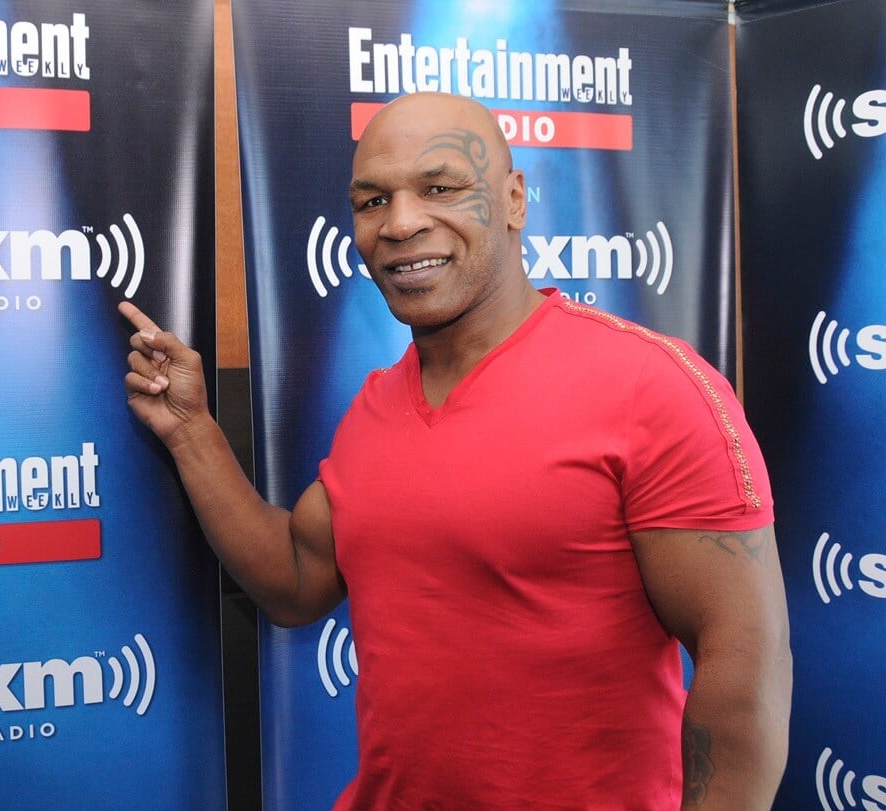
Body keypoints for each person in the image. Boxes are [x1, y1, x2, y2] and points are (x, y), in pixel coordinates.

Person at [120, 92, 792, 809]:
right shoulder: (376, 406)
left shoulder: (652, 389)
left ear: (513, 199)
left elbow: (746, 670)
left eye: (440, 188)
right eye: (373, 200)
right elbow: (293, 579)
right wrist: (192, 431)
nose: (402, 222)